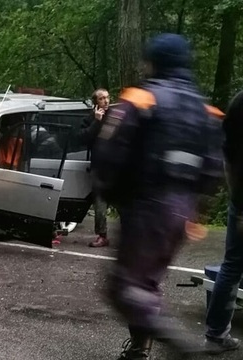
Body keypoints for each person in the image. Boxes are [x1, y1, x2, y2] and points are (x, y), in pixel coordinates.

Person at [94, 33, 223, 359]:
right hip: (182, 210)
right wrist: (196, 210)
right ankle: (140, 348)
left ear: (156, 62)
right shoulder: (204, 110)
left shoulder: (141, 99)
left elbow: (110, 154)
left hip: (146, 206)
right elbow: (212, 167)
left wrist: (114, 195)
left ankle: (178, 342)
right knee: (146, 283)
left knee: (123, 288)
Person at [203, 89, 243, 355]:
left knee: (232, 266)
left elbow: (228, 156)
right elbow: (231, 157)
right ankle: (216, 334)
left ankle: (216, 334)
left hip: (239, 199)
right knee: (231, 267)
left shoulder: (239, 103)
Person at [79, 88, 112, 247]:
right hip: (100, 168)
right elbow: (83, 138)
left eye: (107, 98)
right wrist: (96, 121)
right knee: (100, 203)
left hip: (117, 167)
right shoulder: (89, 119)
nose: (105, 101)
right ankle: (102, 235)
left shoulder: (116, 117)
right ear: (95, 102)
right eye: (101, 98)